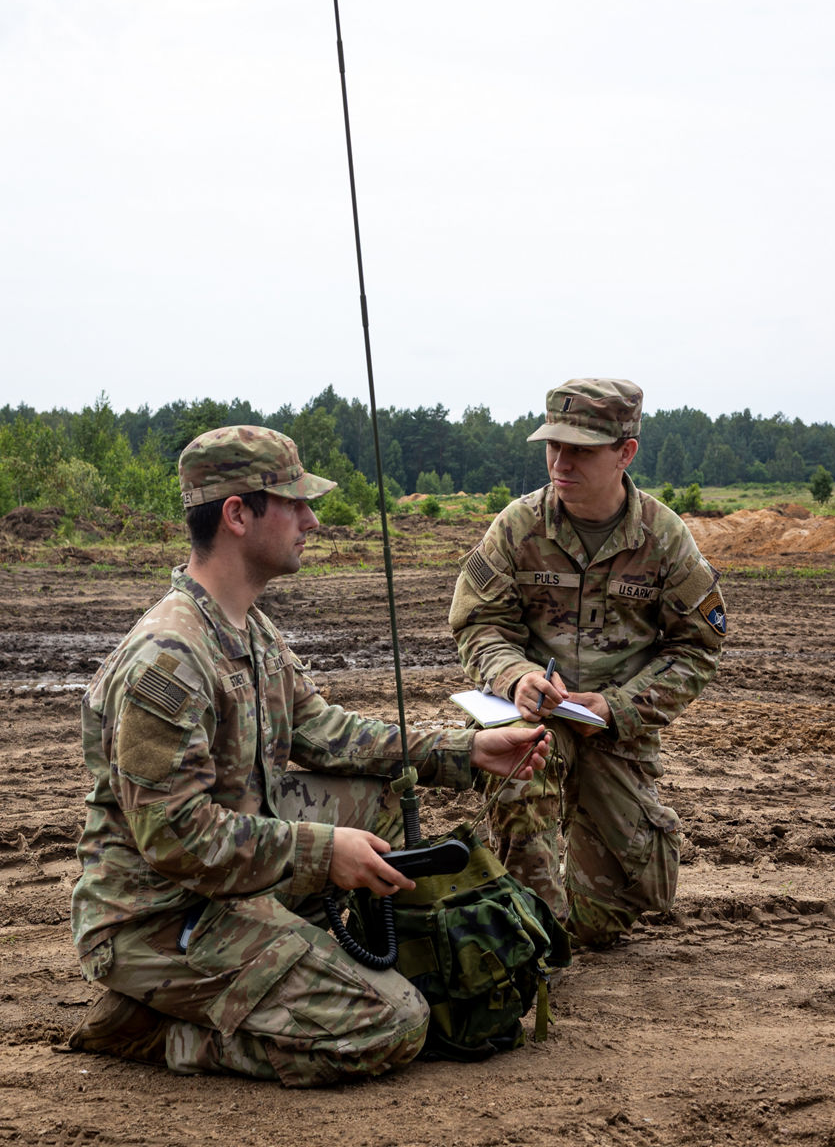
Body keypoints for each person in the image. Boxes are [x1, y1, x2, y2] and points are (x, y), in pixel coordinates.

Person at [68, 425, 551, 1086]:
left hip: (222, 881)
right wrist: (324, 852)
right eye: (294, 503)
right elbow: (175, 839)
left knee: (372, 797)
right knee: (395, 1024)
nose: (313, 520)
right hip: (156, 919)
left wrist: (466, 751)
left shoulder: (246, 625)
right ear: (238, 514)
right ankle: (155, 1030)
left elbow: (325, 732)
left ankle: (294, 956)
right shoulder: (168, 661)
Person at [449, 378, 726, 950]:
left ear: (625, 452)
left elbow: (696, 647)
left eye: (580, 448)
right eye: (554, 445)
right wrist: (513, 676)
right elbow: (479, 624)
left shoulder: (664, 538)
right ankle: (529, 936)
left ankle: (570, 908)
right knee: (522, 774)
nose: (560, 461)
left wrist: (619, 706)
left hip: (614, 730)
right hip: (536, 716)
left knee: (605, 920)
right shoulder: (519, 527)